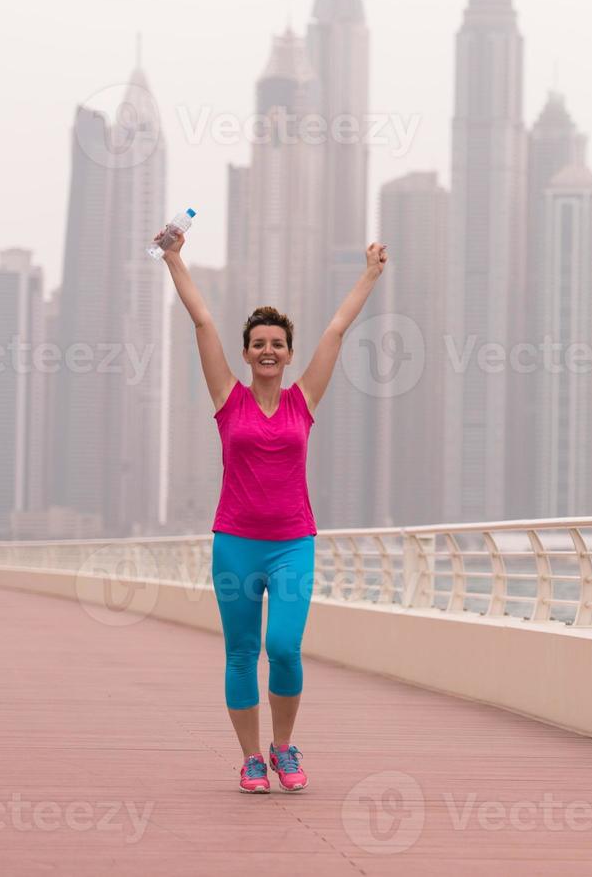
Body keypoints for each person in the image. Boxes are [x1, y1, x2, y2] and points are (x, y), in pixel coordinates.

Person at [157, 225, 388, 793]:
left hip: (292, 544)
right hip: (234, 543)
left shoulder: (302, 400)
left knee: (282, 647)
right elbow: (203, 322)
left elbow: (336, 329)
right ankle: (250, 758)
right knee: (241, 653)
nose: (267, 350)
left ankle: (284, 748)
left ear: (287, 354)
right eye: (258, 343)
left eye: (277, 344)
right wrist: (173, 259)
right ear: (246, 353)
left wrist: (371, 273)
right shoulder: (227, 399)